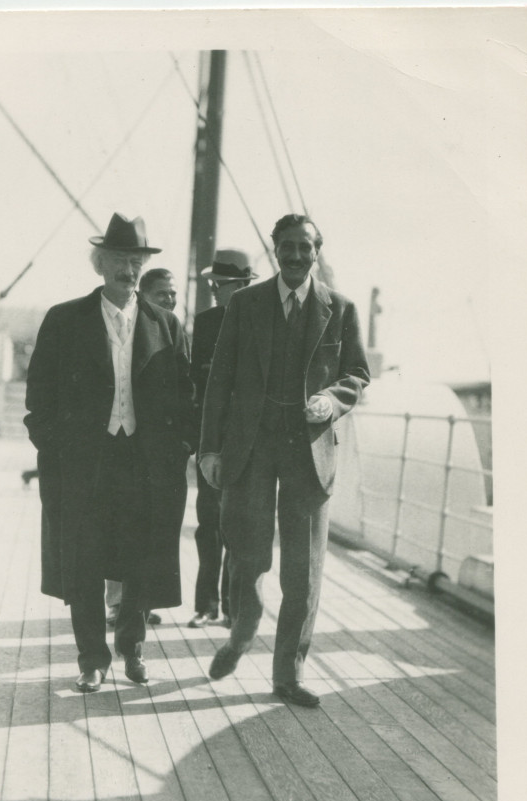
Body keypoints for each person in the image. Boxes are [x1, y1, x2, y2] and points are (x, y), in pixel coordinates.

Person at [199, 214, 370, 707]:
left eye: (305, 247)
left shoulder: (339, 308)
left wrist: (333, 400)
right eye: (287, 247)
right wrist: (210, 449)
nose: (296, 256)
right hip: (250, 448)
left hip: (308, 451)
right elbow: (220, 382)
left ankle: (286, 676)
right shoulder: (247, 305)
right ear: (273, 250)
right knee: (247, 554)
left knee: (304, 569)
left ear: (317, 251)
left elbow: (356, 373)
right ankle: (241, 633)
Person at [25, 213, 194, 693]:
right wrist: (55, 447)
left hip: (145, 464)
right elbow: (39, 394)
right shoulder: (65, 319)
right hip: (83, 463)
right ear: (100, 265)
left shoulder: (166, 324)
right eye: (119, 260)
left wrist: (179, 447)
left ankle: (132, 648)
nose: (129, 269)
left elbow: (186, 396)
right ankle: (91, 659)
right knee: (84, 560)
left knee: (142, 557)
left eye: (136, 261)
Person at [104, 267, 180, 628]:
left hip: (152, 450)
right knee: (115, 528)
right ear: (144, 294)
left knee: (145, 531)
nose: (170, 299)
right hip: (114, 444)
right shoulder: (122, 328)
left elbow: (184, 389)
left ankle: (138, 601)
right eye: (162, 293)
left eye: (172, 293)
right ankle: (118, 603)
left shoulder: (169, 329)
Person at [187, 249, 257, 629]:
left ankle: (234, 607)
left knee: (241, 526)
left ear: (242, 286)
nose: (213, 289)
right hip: (212, 439)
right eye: (213, 283)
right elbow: (198, 382)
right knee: (208, 522)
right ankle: (206, 605)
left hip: (248, 443)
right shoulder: (207, 322)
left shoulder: (262, 323)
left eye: (220, 284)